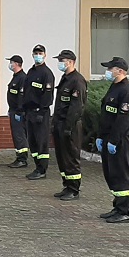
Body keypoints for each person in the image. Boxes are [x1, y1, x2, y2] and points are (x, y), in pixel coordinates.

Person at [95, 57, 129, 223]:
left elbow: (125, 119)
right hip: (108, 137)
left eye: (110, 69)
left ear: (120, 71)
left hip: (120, 138)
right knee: (111, 173)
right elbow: (106, 114)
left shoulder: (127, 91)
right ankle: (118, 206)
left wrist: (114, 140)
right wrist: (100, 136)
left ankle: (125, 210)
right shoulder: (114, 87)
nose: (107, 72)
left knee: (121, 174)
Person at [51, 50, 88, 199]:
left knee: (71, 157)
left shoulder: (77, 81)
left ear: (71, 62)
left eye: (62, 60)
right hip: (60, 123)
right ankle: (67, 185)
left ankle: (74, 189)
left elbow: (76, 107)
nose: (60, 63)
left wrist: (68, 127)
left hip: (70, 126)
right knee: (62, 157)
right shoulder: (65, 78)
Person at [23, 45, 56, 181]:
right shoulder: (31, 72)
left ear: (45, 55)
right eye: (36, 53)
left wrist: (41, 112)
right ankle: (37, 167)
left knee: (41, 142)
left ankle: (42, 169)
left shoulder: (46, 74)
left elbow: (47, 95)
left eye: (40, 53)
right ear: (32, 55)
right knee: (32, 142)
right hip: (29, 112)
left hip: (40, 113)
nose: (38, 55)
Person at [5, 55, 29, 168]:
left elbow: (22, 96)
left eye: (11, 62)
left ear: (16, 64)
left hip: (18, 112)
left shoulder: (22, 78)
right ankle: (19, 157)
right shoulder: (16, 77)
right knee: (16, 135)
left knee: (19, 135)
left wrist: (19, 111)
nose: (10, 65)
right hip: (13, 110)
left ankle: (22, 159)